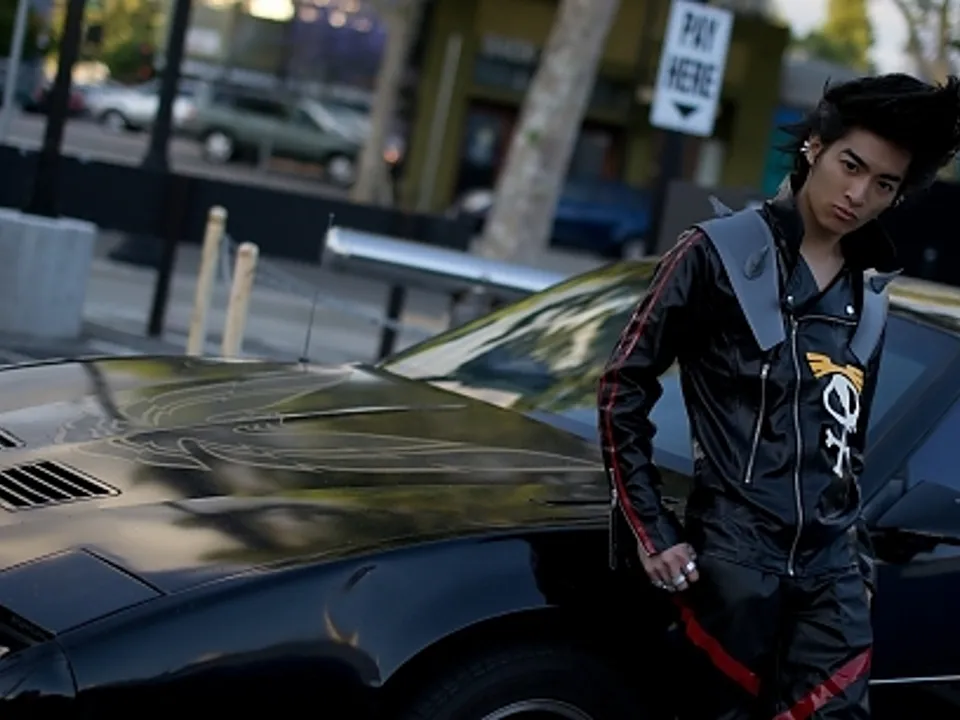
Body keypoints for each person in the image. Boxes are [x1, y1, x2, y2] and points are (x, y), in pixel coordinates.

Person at [597, 73, 960, 719]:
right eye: (851, 166)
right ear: (815, 146)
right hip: (733, 565)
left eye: (884, 185)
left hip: (833, 578)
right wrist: (652, 532)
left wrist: (859, 568)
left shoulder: (869, 297)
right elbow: (623, 384)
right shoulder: (715, 253)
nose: (858, 195)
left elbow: (849, 448)